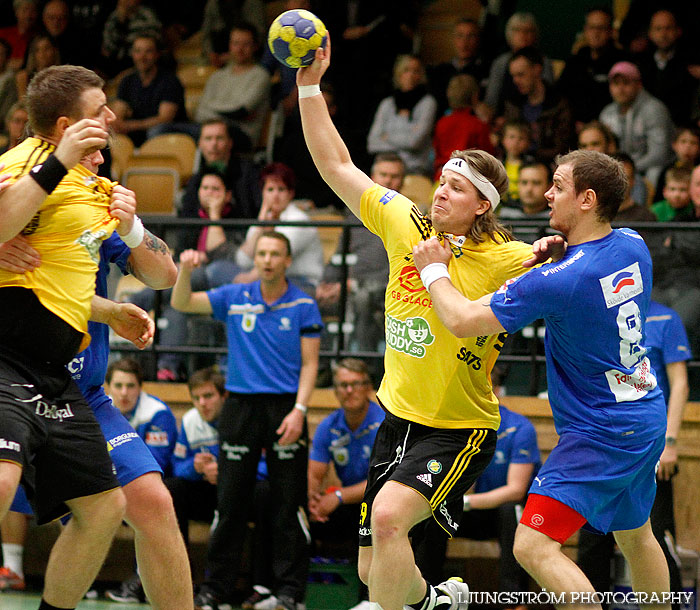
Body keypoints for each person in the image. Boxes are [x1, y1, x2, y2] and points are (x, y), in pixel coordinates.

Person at [297, 37, 537, 610]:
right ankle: (436, 601)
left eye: (455, 187)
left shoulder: (507, 257)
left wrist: (554, 249)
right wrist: (309, 85)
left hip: (458, 428)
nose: (440, 193)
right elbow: (335, 165)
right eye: (441, 180)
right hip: (396, 419)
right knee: (370, 565)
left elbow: (578, 263)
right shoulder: (407, 222)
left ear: (482, 204)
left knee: (386, 523)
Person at [412, 149, 671, 610]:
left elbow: (463, 319)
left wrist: (433, 267)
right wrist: (563, 254)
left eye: (559, 186)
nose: (548, 194)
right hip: (645, 411)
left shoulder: (556, 280)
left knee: (532, 546)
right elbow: (588, 273)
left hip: (602, 431)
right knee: (636, 534)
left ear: (587, 199)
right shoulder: (633, 242)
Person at [0, 140, 194, 608]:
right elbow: (40, 294)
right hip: (12, 382)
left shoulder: (96, 206)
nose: (103, 160)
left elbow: (164, 275)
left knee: (152, 502)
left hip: (81, 396)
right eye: (93, 148)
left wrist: (130, 229)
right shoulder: (12, 195)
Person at [0, 64, 138, 610]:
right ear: (64, 125)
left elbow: (156, 271)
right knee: (3, 479)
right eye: (98, 108)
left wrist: (110, 311)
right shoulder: (25, 164)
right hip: (5, 356)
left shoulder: (91, 185)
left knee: (104, 507)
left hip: (55, 373)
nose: (110, 116)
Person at [172, 231, 323, 610]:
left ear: (288, 260)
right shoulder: (234, 297)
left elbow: (310, 364)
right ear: (255, 259)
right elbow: (183, 301)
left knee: (289, 504)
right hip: (239, 408)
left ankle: (290, 592)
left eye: (275, 254)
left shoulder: (304, 304)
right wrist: (186, 270)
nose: (268, 260)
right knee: (230, 502)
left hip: (285, 409)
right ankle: (216, 590)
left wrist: (300, 411)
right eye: (262, 254)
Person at [577, 300, 691, 607]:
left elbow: (680, 384)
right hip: (604, 442)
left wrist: (671, 440)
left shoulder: (666, 317)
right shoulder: (598, 312)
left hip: (649, 443)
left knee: (656, 534)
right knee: (592, 539)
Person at [412, 366, 540, 593]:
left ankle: (513, 601)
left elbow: (515, 490)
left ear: (497, 391)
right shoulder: (457, 425)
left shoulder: (519, 427)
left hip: (502, 515)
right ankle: (426, 595)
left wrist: (467, 502)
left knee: (511, 511)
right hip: (466, 512)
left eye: (483, 388)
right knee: (429, 514)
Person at [315, 153, 401, 377]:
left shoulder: (408, 218)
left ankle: (365, 371)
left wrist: (351, 283)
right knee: (307, 300)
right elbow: (338, 257)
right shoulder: (355, 214)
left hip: (387, 288)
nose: (388, 181)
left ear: (402, 181)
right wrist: (327, 283)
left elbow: (397, 267)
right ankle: (323, 370)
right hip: (350, 285)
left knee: (364, 296)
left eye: (394, 176)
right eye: (384, 175)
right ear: (372, 176)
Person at [308, 358, 384, 556]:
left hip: (381, 502)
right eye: (343, 385)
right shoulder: (329, 426)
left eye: (356, 384)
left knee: (372, 518)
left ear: (368, 388)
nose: (349, 390)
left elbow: (383, 481)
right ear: (335, 391)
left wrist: (339, 496)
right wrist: (313, 501)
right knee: (300, 520)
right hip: (348, 505)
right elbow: (314, 475)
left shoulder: (384, 425)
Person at [234, 162, 324, 294]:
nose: (275, 196)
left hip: (302, 282)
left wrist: (249, 278)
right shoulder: (263, 218)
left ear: (290, 194)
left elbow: (277, 259)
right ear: (263, 193)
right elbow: (243, 260)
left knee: (246, 289)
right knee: (219, 270)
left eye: (281, 189)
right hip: (268, 278)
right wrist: (261, 225)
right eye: (270, 190)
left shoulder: (299, 220)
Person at [165, 366, 224, 555]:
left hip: (237, 492)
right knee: (173, 487)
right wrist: (195, 467)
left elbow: (263, 465)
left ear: (224, 396)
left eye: (208, 396)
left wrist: (226, 472)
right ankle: (181, 567)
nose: (202, 403)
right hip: (206, 493)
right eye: (196, 398)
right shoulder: (191, 420)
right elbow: (177, 465)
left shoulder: (238, 419)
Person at [195, 22, 271, 149]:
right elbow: (200, 113)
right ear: (230, 45)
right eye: (236, 43)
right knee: (167, 129)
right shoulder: (216, 76)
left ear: (255, 46)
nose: (240, 49)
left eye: (246, 44)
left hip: (242, 135)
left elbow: (241, 111)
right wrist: (226, 114)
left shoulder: (261, 76)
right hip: (209, 129)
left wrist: (212, 110)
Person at [599, 61, 675, 186]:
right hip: (620, 168)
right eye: (616, 84)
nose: (620, 89)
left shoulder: (654, 110)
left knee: (654, 172)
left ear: (639, 85)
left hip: (648, 168)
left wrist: (628, 168)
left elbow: (659, 155)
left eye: (626, 83)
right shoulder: (607, 113)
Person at [111, 34, 188, 147]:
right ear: (132, 54)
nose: (142, 57)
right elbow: (117, 114)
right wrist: (119, 125)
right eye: (138, 51)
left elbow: (164, 119)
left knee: (156, 131)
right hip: (138, 130)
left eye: (148, 52)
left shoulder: (170, 81)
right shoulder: (127, 81)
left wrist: (130, 126)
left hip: (169, 130)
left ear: (157, 55)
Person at [556, 7, 628, 128]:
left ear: (611, 31)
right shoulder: (576, 60)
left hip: (611, 128)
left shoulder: (623, 62)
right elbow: (561, 94)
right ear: (585, 30)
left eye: (601, 28)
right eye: (591, 28)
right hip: (575, 128)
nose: (596, 33)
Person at [367, 54, 438, 176]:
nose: (411, 75)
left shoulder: (428, 103)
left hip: (414, 172)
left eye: (416, 71)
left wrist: (387, 136)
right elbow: (372, 143)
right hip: (385, 172)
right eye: (406, 70)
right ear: (398, 74)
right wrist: (406, 138)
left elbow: (414, 142)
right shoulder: (387, 104)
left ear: (421, 75)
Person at [502, 46, 573, 165]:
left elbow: (563, 148)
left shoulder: (558, 104)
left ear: (537, 70)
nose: (516, 81)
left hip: (549, 168)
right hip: (515, 166)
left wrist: (532, 153)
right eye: (513, 76)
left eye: (521, 75)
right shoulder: (513, 104)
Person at [105, 358, 178, 474]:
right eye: (118, 386)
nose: (124, 393)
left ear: (140, 387)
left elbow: (155, 462)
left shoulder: (158, 413)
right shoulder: (98, 411)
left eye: (130, 386)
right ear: (108, 387)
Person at [179, 118, 261, 219]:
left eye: (219, 138)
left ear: (230, 143)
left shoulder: (249, 174)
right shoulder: (195, 180)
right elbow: (186, 220)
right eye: (208, 138)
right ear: (200, 144)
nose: (214, 144)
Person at [483, 12, 555, 120]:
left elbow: (549, 97)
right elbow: (491, 100)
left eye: (528, 31)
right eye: (517, 30)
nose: (523, 35)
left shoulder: (544, 62)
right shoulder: (500, 63)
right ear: (509, 34)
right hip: (503, 119)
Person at [636, 9, 697, 126]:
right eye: (658, 29)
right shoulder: (641, 64)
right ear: (650, 33)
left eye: (668, 28)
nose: (663, 34)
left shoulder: (691, 63)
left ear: (678, 31)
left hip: (683, 129)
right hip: (649, 126)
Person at [432, 74, 493, 182]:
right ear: (474, 96)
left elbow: (437, 152)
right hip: (469, 180)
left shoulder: (442, 122)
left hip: (441, 178)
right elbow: (488, 157)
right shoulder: (478, 124)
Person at [427, 18, 491, 117]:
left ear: (478, 40)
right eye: (459, 36)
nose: (464, 42)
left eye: (471, 36)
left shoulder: (486, 70)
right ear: (453, 39)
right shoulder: (439, 71)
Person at [101, 0, 162, 78]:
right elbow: (108, 48)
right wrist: (121, 22)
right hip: (118, 63)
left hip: (140, 61)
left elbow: (152, 41)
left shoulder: (146, 15)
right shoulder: (114, 18)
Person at [497, 119, 532, 204]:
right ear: (503, 140)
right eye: (512, 137)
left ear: (528, 142)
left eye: (521, 138)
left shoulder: (532, 165)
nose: (516, 142)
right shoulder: (497, 164)